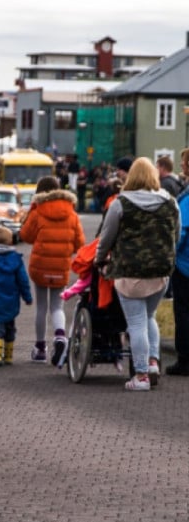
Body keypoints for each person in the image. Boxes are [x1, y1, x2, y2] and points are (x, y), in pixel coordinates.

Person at [95, 157, 180, 391]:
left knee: (136, 322)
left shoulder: (121, 203)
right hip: (161, 270)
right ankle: (153, 362)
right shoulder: (170, 202)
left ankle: (141, 375)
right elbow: (176, 235)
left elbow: (106, 237)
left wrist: (99, 258)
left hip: (129, 271)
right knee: (150, 316)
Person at [19, 175, 84, 366]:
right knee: (57, 306)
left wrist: (31, 212)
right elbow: (79, 243)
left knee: (41, 307)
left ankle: (40, 349)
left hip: (41, 266)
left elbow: (26, 235)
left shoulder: (38, 211)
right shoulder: (71, 212)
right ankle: (60, 337)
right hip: (61, 265)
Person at [0, 225, 33, 366]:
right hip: (12, 299)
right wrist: (27, 297)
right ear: (10, 242)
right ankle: (9, 356)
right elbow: (23, 280)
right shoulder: (16, 260)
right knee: (10, 325)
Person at [168, 147, 189, 376]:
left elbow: (181, 232)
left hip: (184, 265)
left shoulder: (187, 199)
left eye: (184, 163)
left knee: (183, 313)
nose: (181, 166)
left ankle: (184, 360)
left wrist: (171, 255)